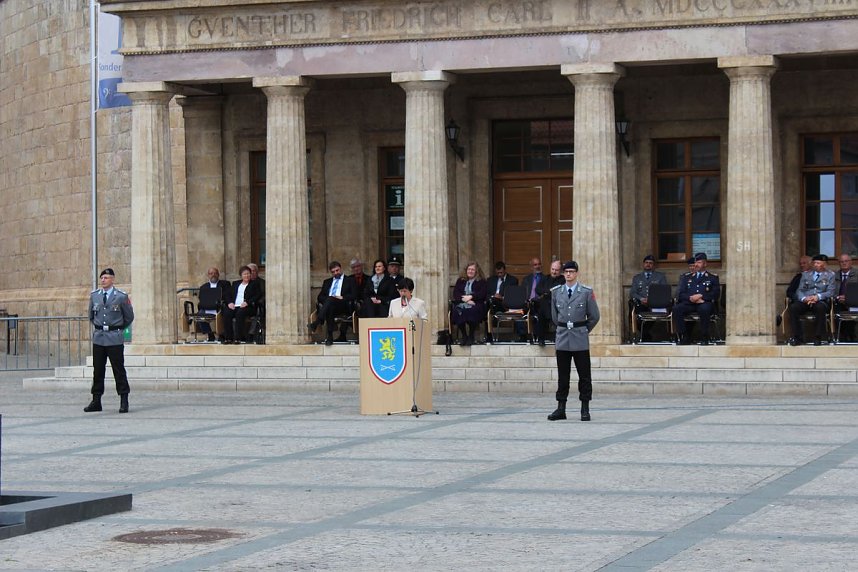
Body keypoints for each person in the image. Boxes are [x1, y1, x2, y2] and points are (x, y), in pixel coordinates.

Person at [547, 261, 600, 422]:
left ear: (576, 273)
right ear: (563, 274)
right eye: (566, 272)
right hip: (563, 337)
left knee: (584, 375)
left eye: (571, 271)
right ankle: (561, 408)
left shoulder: (585, 292)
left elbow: (594, 316)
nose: (568, 274)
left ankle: (585, 408)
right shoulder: (556, 292)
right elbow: (555, 316)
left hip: (579, 337)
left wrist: (583, 329)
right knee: (563, 375)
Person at [84, 268, 135, 414]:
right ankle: (96, 400)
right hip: (99, 337)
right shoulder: (95, 296)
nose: (103, 280)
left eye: (106, 278)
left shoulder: (121, 296)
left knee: (118, 370)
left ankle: (124, 400)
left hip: (114, 338)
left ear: (112, 279)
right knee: (98, 370)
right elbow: (91, 315)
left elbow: (129, 317)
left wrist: (117, 328)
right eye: (102, 278)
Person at [673, 252, 721, 345]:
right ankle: (684, 335)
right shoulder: (687, 277)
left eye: (699, 262)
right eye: (695, 262)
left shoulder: (712, 278)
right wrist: (691, 298)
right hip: (690, 303)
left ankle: (705, 336)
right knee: (677, 309)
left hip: (704, 303)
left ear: (705, 264)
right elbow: (681, 293)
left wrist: (701, 296)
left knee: (704, 309)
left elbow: (715, 294)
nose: (696, 265)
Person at [788, 253, 836, 346]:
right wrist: (804, 298)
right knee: (794, 307)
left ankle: (818, 337)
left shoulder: (830, 275)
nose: (815, 265)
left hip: (820, 301)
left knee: (820, 308)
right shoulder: (806, 274)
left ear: (824, 264)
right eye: (814, 263)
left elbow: (831, 292)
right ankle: (796, 337)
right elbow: (800, 290)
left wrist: (817, 297)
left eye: (818, 263)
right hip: (806, 300)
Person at [308, 260, 357, 345]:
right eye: (333, 272)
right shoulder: (327, 282)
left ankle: (318, 322)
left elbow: (354, 295)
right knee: (330, 304)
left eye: (337, 270)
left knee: (329, 302)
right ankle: (329, 338)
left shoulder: (350, 280)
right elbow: (320, 297)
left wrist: (343, 297)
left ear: (340, 269)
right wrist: (329, 299)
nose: (335, 273)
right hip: (330, 306)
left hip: (343, 305)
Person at [222, 265, 263, 344]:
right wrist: (230, 302)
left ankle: (238, 338)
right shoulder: (235, 283)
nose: (246, 276)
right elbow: (227, 294)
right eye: (244, 274)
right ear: (241, 275)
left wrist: (247, 302)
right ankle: (228, 338)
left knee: (240, 313)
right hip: (235, 305)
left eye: (248, 274)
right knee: (227, 313)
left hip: (248, 307)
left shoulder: (254, 284)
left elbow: (258, 295)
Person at [451, 261, 488, 346]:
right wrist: (466, 300)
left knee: (472, 311)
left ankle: (471, 335)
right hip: (462, 302)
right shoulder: (460, 281)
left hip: (476, 303)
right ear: (466, 270)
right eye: (469, 269)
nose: (470, 271)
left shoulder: (481, 281)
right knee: (458, 311)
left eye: (472, 269)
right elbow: (456, 293)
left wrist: (471, 297)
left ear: (476, 271)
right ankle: (464, 335)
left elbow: (482, 293)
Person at [197, 267, 231, 341]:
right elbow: (201, 298)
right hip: (207, 307)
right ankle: (210, 334)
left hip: (220, 307)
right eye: (211, 273)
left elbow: (227, 295)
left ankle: (222, 335)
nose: (213, 275)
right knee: (200, 315)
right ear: (208, 275)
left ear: (218, 275)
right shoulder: (203, 287)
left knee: (225, 313)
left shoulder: (225, 284)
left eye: (215, 273)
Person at [535, 259, 564, 346]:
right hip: (545, 305)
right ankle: (541, 339)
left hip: (557, 305)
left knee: (547, 307)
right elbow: (538, 289)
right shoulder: (545, 278)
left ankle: (555, 337)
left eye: (556, 270)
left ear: (561, 271)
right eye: (552, 269)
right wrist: (548, 292)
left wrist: (547, 292)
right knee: (541, 310)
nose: (554, 272)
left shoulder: (563, 280)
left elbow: (557, 291)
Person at [520, 257, 546, 341]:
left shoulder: (545, 279)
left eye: (539, 264)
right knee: (520, 312)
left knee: (538, 312)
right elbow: (522, 293)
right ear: (531, 267)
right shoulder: (526, 279)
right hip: (527, 303)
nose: (537, 266)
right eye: (535, 265)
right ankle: (523, 336)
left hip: (539, 303)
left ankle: (536, 336)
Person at [834, 253, 858, 341]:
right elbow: (830, 290)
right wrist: (837, 298)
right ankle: (841, 337)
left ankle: (851, 336)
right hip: (838, 302)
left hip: (854, 302)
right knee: (835, 310)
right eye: (841, 262)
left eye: (846, 261)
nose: (844, 263)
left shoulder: (856, 274)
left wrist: (848, 298)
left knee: (851, 310)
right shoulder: (834, 275)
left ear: (851, 262)